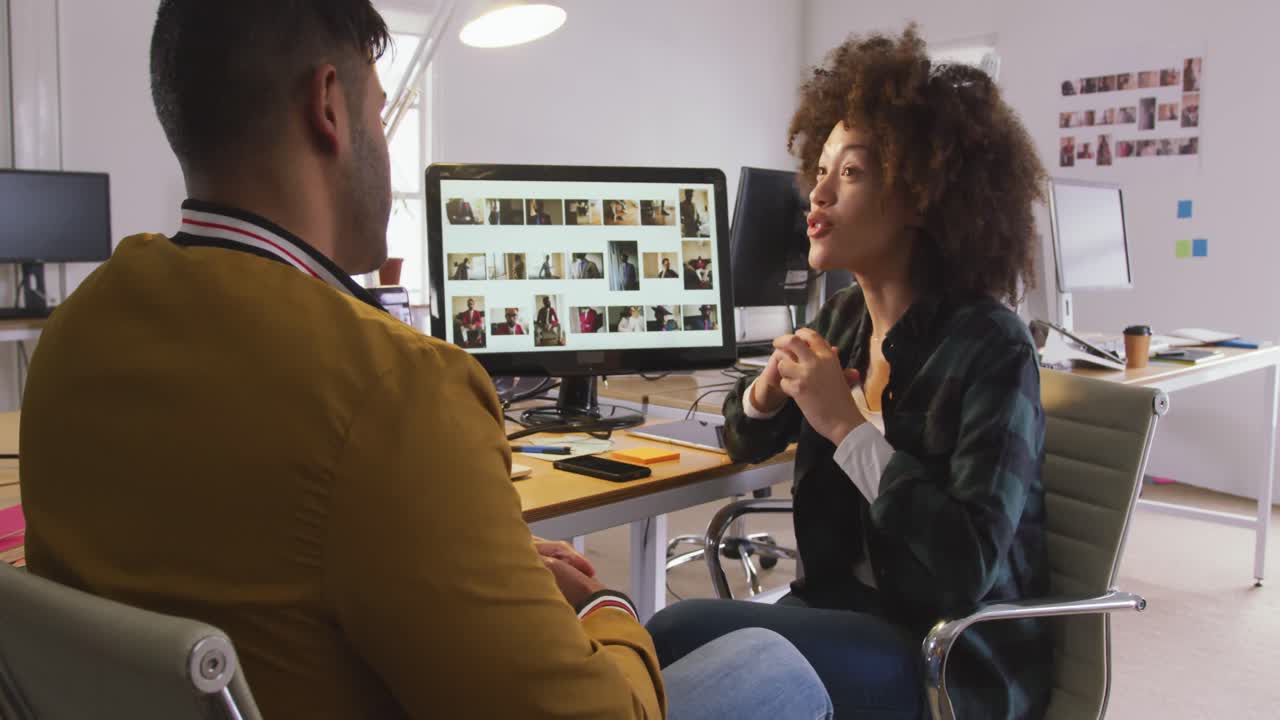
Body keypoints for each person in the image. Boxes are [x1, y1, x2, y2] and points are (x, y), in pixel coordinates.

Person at [18, 2, 833, 719]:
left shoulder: (76, 333)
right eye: (381, 112)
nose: (384, 140)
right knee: (771, 665)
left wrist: (469, 566)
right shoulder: (395, 385)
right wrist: (604, 607)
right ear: (328, 108)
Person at [646, 25, 1053, 720]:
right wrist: (765, 394)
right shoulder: (841, 321)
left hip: (943, 653)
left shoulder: (993, 347)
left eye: (852, 173)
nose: (818, 194)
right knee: (672, 647)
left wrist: (844, 424)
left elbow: (966, 565)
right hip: (838, 613)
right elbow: (742, 439)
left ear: (921, 196)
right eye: (821, 169)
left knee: (674, 631)